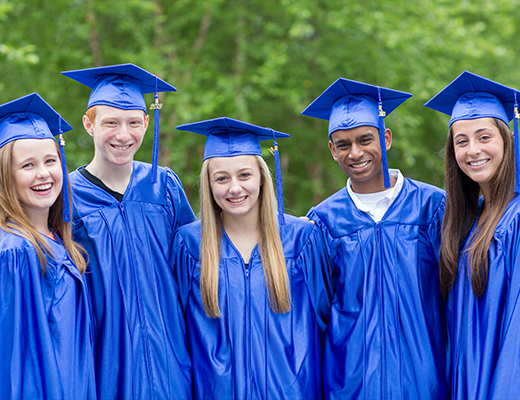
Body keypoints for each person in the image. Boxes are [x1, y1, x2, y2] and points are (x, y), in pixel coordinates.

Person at [302, 78, 449, 399]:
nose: (355, 152)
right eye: (343, 144)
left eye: (365, 139)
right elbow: (317, 312)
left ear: (386, 138)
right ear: (332, 150)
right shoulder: (323, 221)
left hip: (425, 380)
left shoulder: (432, 207)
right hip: (352, 384)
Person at [173, 117, 333, 399]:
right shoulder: (189, 245)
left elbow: (326, 325)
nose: (234, 188)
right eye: (221, 178)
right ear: (209, 184)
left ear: (262, 177)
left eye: (244, 175)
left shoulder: (302, 240)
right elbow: (178, 335)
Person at [61, 64, 196, 399]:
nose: (124, 135)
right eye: (111, 123)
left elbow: (195, 262)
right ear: (88, 125)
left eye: (134, 122)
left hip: (171, 359)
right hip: (104, 360)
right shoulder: (67, 196)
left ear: (147, 123)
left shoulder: (163, 185)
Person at [425, 71, 520, 400]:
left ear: (507, 140)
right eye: (461, 141)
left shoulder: (517, 220)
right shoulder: (464, 222)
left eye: (484, 137)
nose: (472, 150)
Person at [0, 93, 96, 399]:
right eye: (28, 165)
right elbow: (13, 359)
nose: (43, 173)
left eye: (50, 160)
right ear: (6, 177)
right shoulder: (15, 251)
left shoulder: (58, 240)